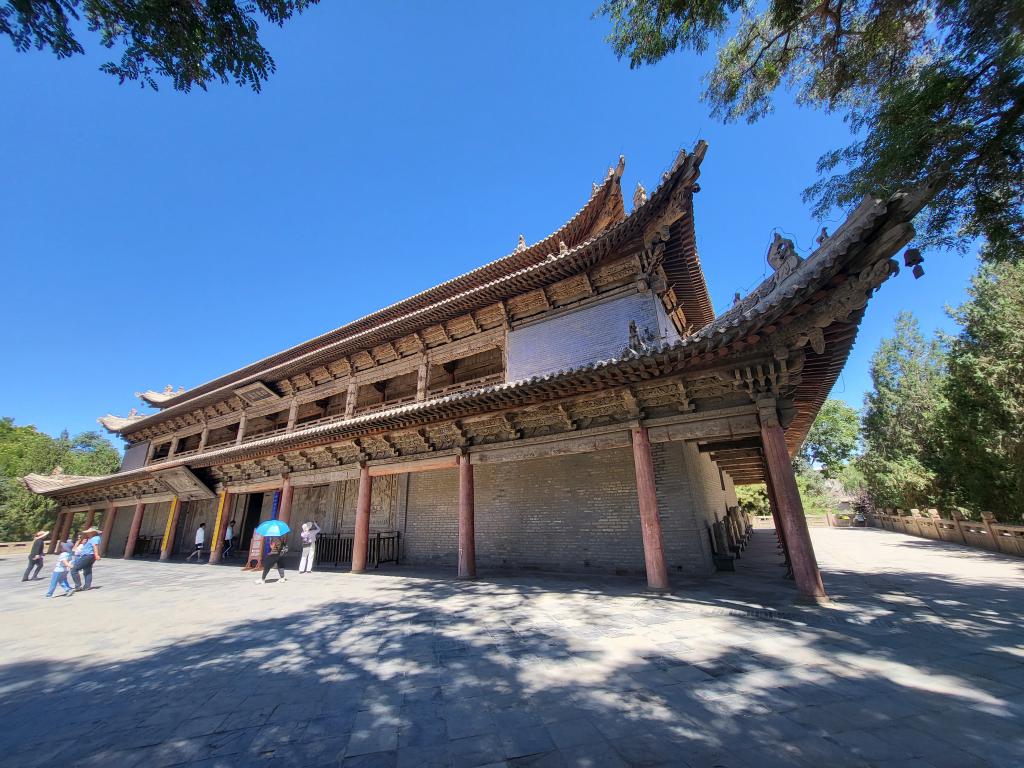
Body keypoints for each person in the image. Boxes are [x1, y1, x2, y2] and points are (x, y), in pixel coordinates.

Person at [69, 527, 102, 591]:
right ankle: (87, 586)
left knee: (74, 569)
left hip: (88, 555)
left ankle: (78, 585)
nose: (87, 534)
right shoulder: (93, 538)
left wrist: (97, 555)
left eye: (88, 533)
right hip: (89, 556)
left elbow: (95, 546)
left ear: (93, 532)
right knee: (87, 570)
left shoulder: (94, 538)